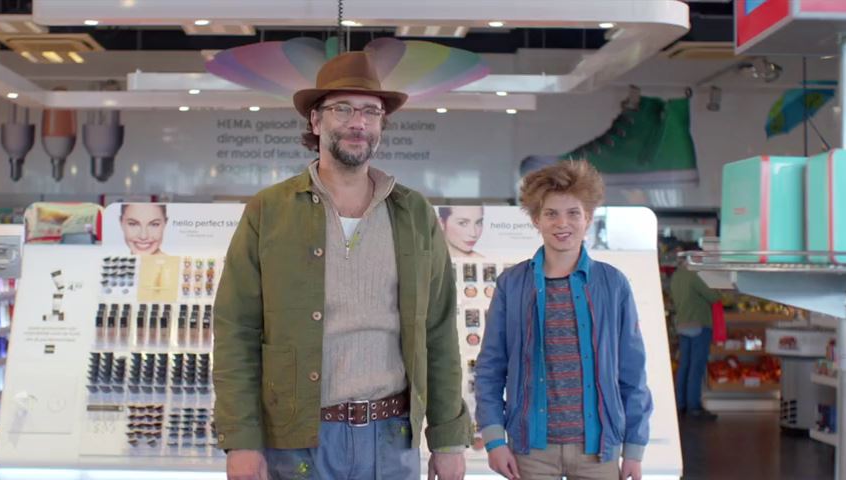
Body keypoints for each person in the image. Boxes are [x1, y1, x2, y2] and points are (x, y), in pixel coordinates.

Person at [214, 51, 471, 480]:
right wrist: (241, 439)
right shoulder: (269, 211)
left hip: (392, 438)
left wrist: (448, 439)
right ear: (316, 121)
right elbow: (235, 330)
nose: (358, 122)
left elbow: (439, 330)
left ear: (381, 124)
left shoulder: (414, 213)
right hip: (297, 440)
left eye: (371, 111)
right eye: (343, 109)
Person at [474, 161, 652, 480]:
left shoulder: (613, 284)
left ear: (588, 218)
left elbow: (633, 373)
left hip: (598, 450)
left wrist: (634, 449)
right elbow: (490, 368)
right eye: (551, 213)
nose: (562, 223)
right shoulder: (511, 285)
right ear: (536, 219)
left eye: (573, 213)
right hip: (530, 452)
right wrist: (494, 440)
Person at [670, 246, 722, 420]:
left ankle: (681, 404)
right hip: (699, 324)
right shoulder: (694, 275)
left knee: (684, 365)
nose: (701, 260)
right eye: (699, 257)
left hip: (682, 324)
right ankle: (694, 406)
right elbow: (714, 297)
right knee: (696, 367)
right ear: (691, 258)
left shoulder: (677, 276)